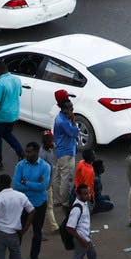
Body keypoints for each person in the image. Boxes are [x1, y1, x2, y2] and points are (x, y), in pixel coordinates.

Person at [13, 141, 51, 259]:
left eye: (29, 152)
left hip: (39, 204)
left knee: (37, 232)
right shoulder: (20, 165)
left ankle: (34, 258)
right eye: (26, 151)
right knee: (18, 231)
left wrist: (25, 182)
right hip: (23, 204)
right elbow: (16, 185)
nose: (26, 154)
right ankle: (14, 257)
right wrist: (33, 184)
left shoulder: (45, 167)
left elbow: (43, 187)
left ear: (36, 152)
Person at [65, 183, 107, 259]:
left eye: (88, 193)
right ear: (77, 194)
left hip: (87, 238)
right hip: (81, 240)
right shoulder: (77, 208)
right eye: (85, 194)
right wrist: (82, 240)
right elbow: (69, 227)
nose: (88, 195)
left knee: (92, 256)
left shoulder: (84, 203)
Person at [0, 59, 23, 170]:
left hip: (0, 117)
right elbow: (19, 93)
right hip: (13, 115)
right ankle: (21, 153)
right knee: (7, 134)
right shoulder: (16, 79)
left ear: (0, 70)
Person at [53, 95, 79, 226]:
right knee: (66, 178)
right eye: (70, 109)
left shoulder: (60, 117)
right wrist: (74, 121)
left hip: (60, 151)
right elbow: (74, 133)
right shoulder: (64, 121)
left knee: (57, 176)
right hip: (67, 153)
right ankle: (64, 201)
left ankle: (58, 199)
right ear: (65, 110)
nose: (72, 110)